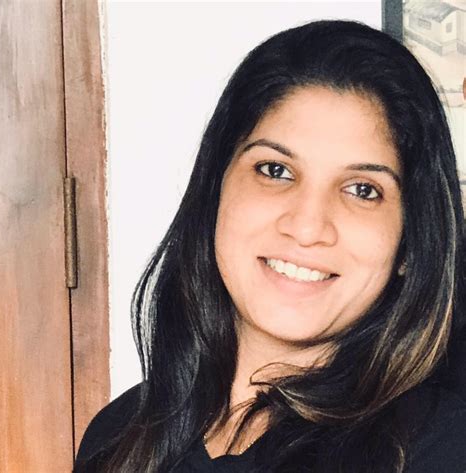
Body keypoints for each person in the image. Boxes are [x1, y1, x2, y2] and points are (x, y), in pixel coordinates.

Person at [74, 19, 466, 473]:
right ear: (216, 188)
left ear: (410, 243)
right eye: (276, 170)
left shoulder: (439, 447)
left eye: (362, 190)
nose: (307, 226)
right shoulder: (118, 434)